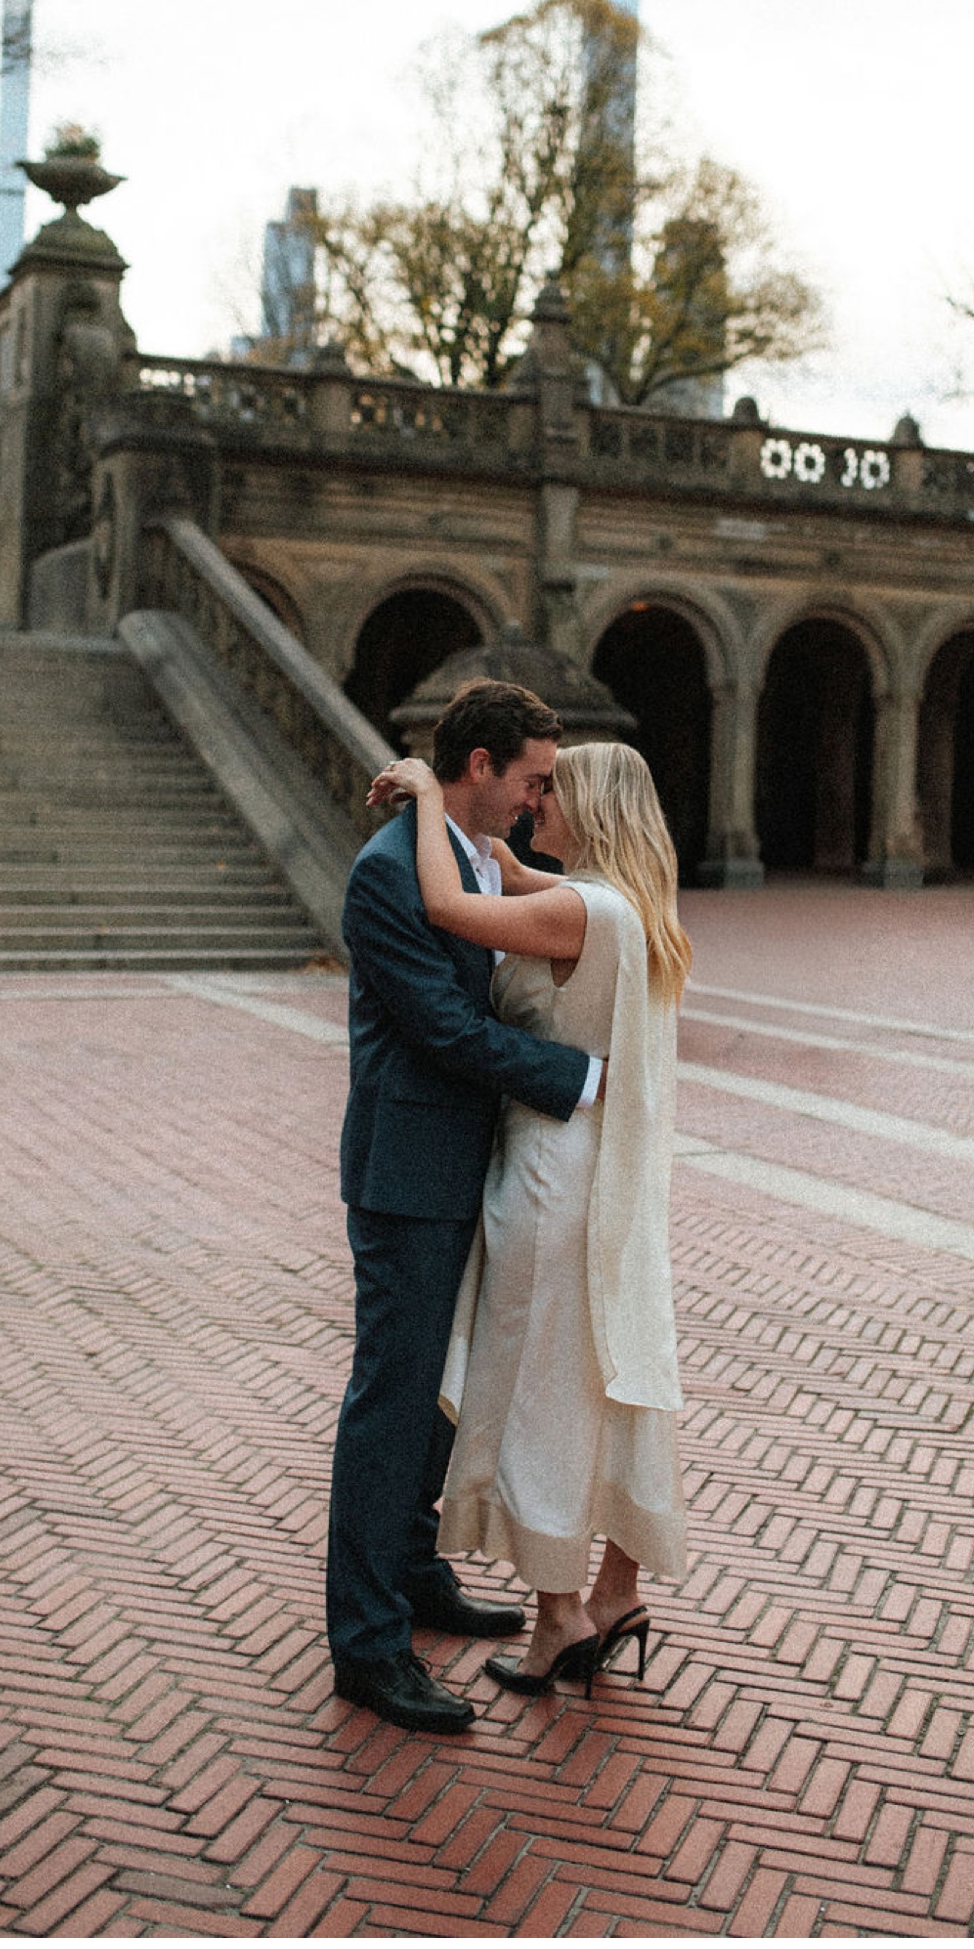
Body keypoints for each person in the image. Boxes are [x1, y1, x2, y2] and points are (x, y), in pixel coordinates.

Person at [373, 740, 691, 1698]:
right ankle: (616, 1592)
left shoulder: (573, 908)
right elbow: (517, 885)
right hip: (610, 1176)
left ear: (589, 806)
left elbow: (444, 907)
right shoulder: (630, 908)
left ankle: (558, 1616)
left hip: (550, 1172)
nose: (535, 800)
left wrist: (431, 796)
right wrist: (504, 859)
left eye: (553, 790)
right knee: (615, 1375)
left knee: (536, 1388)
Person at [327, 680, 603, 1736]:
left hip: (469, 1162)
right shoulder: (389, 871)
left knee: (442, 1391)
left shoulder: (475, 857)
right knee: (391, 1402)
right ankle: (367, 1643)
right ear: (478, 765)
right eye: (532, 778)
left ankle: (414, 1572)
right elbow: (443, 1027)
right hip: (408, 1169)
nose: (540, 798)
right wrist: (576, 1078)